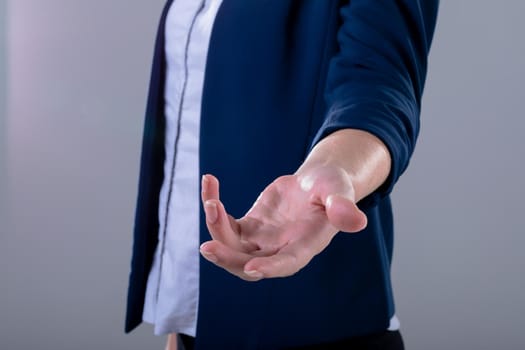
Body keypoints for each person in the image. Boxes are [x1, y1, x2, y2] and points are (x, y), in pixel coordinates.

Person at [125, 1, 439, 349]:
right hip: (198, 324)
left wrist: (338, 167)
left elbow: (380, 88)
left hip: (314, 323)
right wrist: (180, 324)